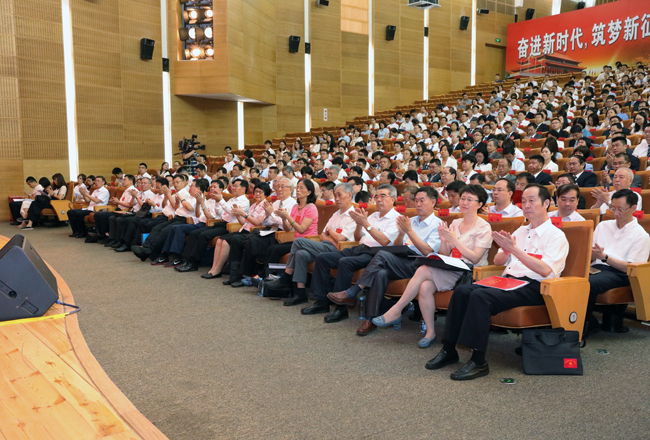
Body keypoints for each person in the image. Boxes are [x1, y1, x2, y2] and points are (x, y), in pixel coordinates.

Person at [426, 184, 569, 380]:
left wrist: (515, 250)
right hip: (509, 281)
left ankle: (478, 361)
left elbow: (545, 270)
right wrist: (507, 249)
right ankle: (449, 349)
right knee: (463, 291)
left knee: (480, 296)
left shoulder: (556, 236)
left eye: (532, 200)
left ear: (546, 203)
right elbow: (498, 261)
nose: (526, 205)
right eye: (523, 201)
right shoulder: (520, 230)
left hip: (537, 286)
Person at [372, 185, 492, 347]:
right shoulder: (456, 222)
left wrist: (453, 240)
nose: (464, 202)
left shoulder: (484, 227)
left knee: (423, 269)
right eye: (463, 198)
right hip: (452, 267)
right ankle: (430, 332)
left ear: (480, 204)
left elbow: (475, 258)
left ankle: (396, 310)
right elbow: (445, 253)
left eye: (470, 200)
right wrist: (444, 241)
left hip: (470, 271)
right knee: (425, 286)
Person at [327, 187, 444, 333]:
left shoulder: (437, 224)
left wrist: (409, 231)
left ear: (433, 202)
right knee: (380, 273)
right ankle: (370, 319)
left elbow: (428, 251)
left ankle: (354, 291)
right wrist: (401, 235)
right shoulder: (411, 220)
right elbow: (398, 246)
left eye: (422, 200)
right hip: (401, 259)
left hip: (420, 265)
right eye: (416, 201)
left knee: (381, 254)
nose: (418, 204)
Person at [306, 185, 401, 324]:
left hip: (376, 254)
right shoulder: (373, 216)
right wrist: (359, 225)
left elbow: (384, 241)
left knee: (345, 262)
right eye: (376, 196)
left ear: (392, 199)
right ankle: (321, 302)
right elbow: (358, 237)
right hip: (359, 248)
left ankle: (341, 309)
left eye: (383, 196)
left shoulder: (396, 218)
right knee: (323, 258)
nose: (378, 199)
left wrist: (366, 224)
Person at [265, 183, 357, 298]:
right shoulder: (336, 214)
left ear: (349, 195)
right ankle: (300, 293)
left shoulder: (353, 215)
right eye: (335, 195)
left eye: (339, 195)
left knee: (298, 241)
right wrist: (331, 238)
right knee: (300, 253)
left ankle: (286, 277)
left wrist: (330, 231)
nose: (337, 199)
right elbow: (322, 236)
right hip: (324, 245)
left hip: (339, 250)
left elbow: (340, 239)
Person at [585, 189, 650, 337]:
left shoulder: (641, 235)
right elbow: (590, 250)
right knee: (572, 280)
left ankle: (585, 323)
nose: (616, 213)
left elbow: (632, 268)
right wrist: (592, 254)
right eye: (613, 208)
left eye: (620, 209)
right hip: (596, 267)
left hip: (620, 274)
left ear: (633, 208)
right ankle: (577, 322)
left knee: (587, 283)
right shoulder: (603, 226)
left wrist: (605, 257)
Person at [226, 178, 299, 285]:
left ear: (291, 189)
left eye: (283, 187)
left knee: (251, 242)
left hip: (282, 234)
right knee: (237, 240)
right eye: (278, 187)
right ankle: (234, 275)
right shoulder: (276, 203)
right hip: (269, 229)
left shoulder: (294, 204)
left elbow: (287, 225)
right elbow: (266, 222)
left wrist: (272, 214)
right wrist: (269, 216)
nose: (279, 189)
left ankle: (246, 275)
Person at [204, 182, 271, 282]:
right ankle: (214, 268)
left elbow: (258, 222)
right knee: (220, 240)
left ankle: (219, 270)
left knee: (227, 241)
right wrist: (238, 215)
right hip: (244, 229)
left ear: (266, 194)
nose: (257, 194)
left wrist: (243, 214)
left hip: (253, 233)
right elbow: (244, 222)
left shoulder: (265, 206)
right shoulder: (253, 205)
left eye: (260, 192)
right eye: (256, 191)